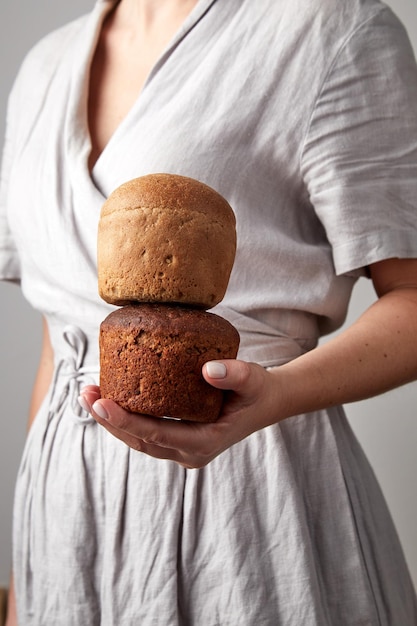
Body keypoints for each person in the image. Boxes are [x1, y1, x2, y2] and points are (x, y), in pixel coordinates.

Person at [2, 0, 417, 623]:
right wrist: (24, 572)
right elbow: (62, 337)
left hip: (248, 493)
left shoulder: (329, 27)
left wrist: (277, 394)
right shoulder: (41, 67)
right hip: (64, 511)